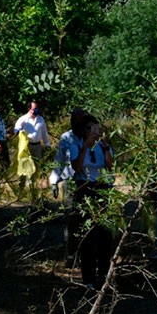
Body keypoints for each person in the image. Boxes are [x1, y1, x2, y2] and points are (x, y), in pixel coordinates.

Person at [70, 114, 114, 289]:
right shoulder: (77, 145)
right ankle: (88, 278)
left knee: (105, 235)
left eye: (95, 128)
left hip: (102, 188)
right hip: (84, 188)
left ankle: (104, 277)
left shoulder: (105, 146)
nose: (92, 132)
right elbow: (77, 167)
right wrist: (86, 148)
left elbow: (111, 165)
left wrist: (103, 147)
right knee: (88, 236)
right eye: (89, 129)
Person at [50, 108, 88, 267]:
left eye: (80, 120)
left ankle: (85, 254)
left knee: (86, 219)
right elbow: (59, 160)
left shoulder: (90, 138)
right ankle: (71, 254)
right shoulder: (66, 138)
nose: (77, 123)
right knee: (71, 219)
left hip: (87, 182)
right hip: (70, 182)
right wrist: (54, 180)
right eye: (75, 120)